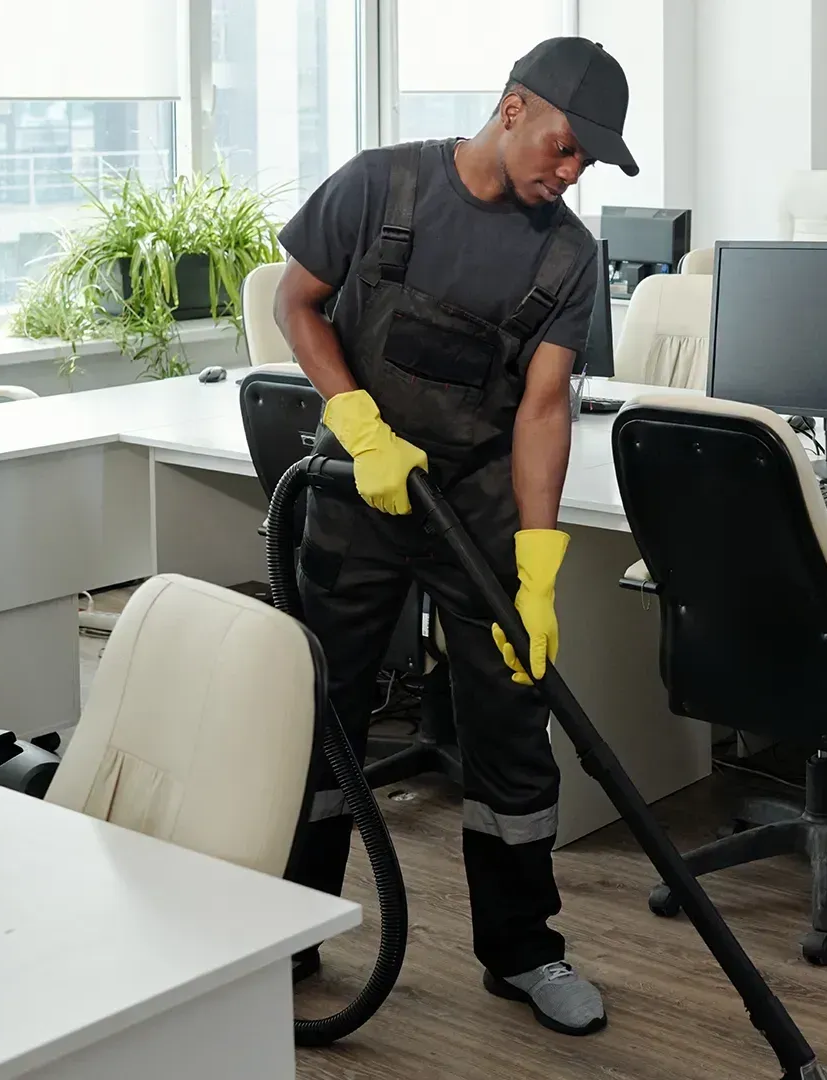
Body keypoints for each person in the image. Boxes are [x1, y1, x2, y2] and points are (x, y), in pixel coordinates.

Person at [271, 36, 635, 1037]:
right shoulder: (382, 187)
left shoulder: (568, 254)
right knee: (324, 716)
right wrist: (354, 419)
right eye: (565, 148)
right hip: (359, 490)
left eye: (587, 165)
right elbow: (293, 300)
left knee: (511, 731)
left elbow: (544, 409)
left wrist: (538, 564)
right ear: (513, 107)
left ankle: (523, 951)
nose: (570, 174)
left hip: (473, 507)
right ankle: (287, 935)